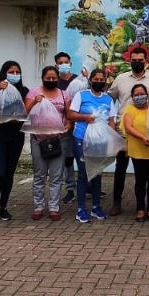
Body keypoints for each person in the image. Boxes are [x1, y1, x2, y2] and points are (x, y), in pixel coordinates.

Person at [107, 44, 149, 216]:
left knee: (144, 171)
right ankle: (117, 202)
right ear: (129, 61)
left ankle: (143, 206)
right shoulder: (121, 79)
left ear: (146, 61)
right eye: (134, 60)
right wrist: (110, 120)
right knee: (121, 167)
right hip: (124, 131)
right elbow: (109, 99)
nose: (137, 62)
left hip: (145, 131)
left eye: (140, 60)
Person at [67, 68, 116, 223]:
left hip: (100, 141)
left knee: (97, 173)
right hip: (82, 138)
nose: (99, 82)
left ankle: (96, 206)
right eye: (96, 79)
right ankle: (81, 209)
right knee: (83, 173)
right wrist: (85, 117)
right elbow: (70, 114)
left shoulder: (108, 99)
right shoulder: (81, 95)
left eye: (102, 80)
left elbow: (112, 120)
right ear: (91, 80)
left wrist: (110, 138)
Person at [0, 60, 28, 223]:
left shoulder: (24, 90)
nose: (15, 75)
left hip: (16, 135)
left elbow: (24, 113)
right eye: (11, 72)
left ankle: (3, 207)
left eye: (17, 72)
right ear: (4, 73)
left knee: (9, 172)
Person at [25, 66, 70, 221]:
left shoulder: (64, 94)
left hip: (59, 139)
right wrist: (34, 102)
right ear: (42, 78)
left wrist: (68, 125)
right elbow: (25, 112)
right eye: (48, 78)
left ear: (58, 78)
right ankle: (38, 207)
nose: (51, 80)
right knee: (40, 174)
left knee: (56, 175)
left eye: (54, 78)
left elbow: (69, 115)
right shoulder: (33, 92)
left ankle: (53, 208)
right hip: (39, 139)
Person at [120, 83, 149, 222]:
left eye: (142, 94)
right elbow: (128, 127)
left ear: (147, 95)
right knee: (140, 180)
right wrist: (143, 138)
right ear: (132, 97)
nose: (140, 97)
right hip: (138, 151)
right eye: (136, 95)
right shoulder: (130, 109)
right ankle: (140, 209)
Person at [54, 51, 81, 204]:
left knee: (84, 156)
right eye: (60, 63)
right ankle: (70, 188)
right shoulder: (55, 83)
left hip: (80, 124)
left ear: (70, 63)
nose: (63, 64)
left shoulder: (78, 80)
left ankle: (88, 185)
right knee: (67, 158)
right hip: (63, 126)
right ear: (56, 65)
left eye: (66, 62)